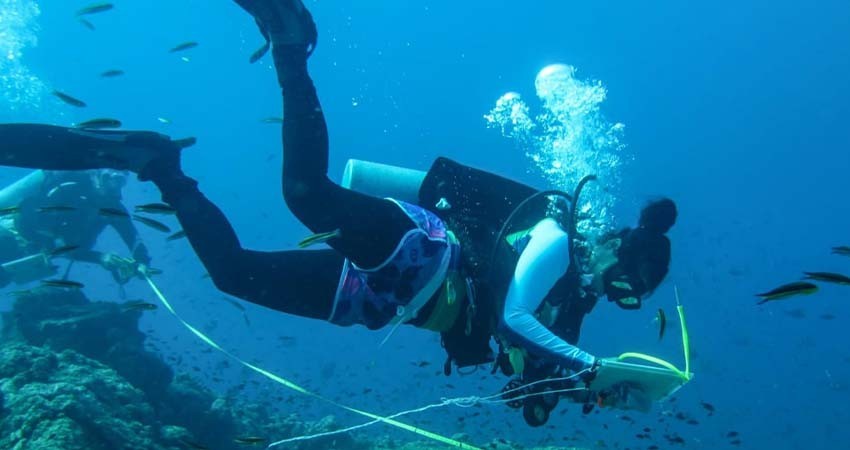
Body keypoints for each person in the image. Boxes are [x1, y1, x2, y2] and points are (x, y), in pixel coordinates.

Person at [0, 0, 676, 426]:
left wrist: (583, 391)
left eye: (629, 297)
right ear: (615, 244)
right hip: (425, 256)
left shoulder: (574, 315)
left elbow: (531, 402)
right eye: (626, 277)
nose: (616, 292)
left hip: (383, 301)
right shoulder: (558, 236)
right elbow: (513, 317)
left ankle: (157, 166)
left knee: (234, 275)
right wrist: (590, 366)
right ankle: (290, 41)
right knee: (305, 193)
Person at [0, 168, 152, 288]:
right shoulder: (67, 189)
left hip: (38, 250)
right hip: (13, 234)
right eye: (107, 178)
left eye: (119, 181)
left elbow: (133, 237)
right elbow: (35, 223)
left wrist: (142, 262)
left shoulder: (112, 207)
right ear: (96, 175)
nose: (112, 186)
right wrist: (99, 257)